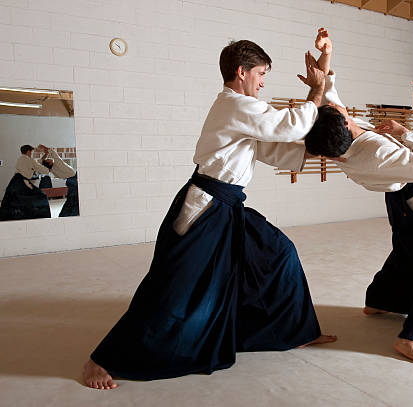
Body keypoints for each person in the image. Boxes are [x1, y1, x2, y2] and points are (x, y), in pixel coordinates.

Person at [83, 37, 336, 390]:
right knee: (175, 284)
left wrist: (319, 145)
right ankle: (103, 358)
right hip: (206, 206)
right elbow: (287, 126)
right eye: (261, 74)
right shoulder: (234, 105)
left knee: (278, 252)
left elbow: (270, 147)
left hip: (229, 205)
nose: (263, 82)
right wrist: (317, 91)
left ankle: (295, 330)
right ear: (241, 72)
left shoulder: (243, 109)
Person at [303, 32, 413, 366]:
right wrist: (404, 132)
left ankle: (381, 300)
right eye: (340, 109)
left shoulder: (340, 138)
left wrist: (326, 53)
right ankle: (412, 336)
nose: (338, 104)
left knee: (409, 252)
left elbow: (327, 93)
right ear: (345, 122)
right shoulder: (373, 149)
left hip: (400, 205)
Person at [0, 145, 51, 220]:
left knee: (13, 198)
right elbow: (38, 166)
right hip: (22, 182)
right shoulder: (29, 160)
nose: (31, 153)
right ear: (28, 151)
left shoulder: (21, 158)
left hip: (15, 181)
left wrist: (45, 156)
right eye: (31, 151)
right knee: (41, 196)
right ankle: (37, 215)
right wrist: (48, 169)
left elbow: (36, 163)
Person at [38, 145, 79, 217]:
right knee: (73, 200)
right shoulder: (57, 163)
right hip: (74, 180)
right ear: (50, 163)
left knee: (72, 200)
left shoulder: (50, 170)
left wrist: (46, 154)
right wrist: (45, 148)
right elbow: (54, 154)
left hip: (70, 181)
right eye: (48, 159)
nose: (49, 159)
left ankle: (65, 215)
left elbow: (40, 162)